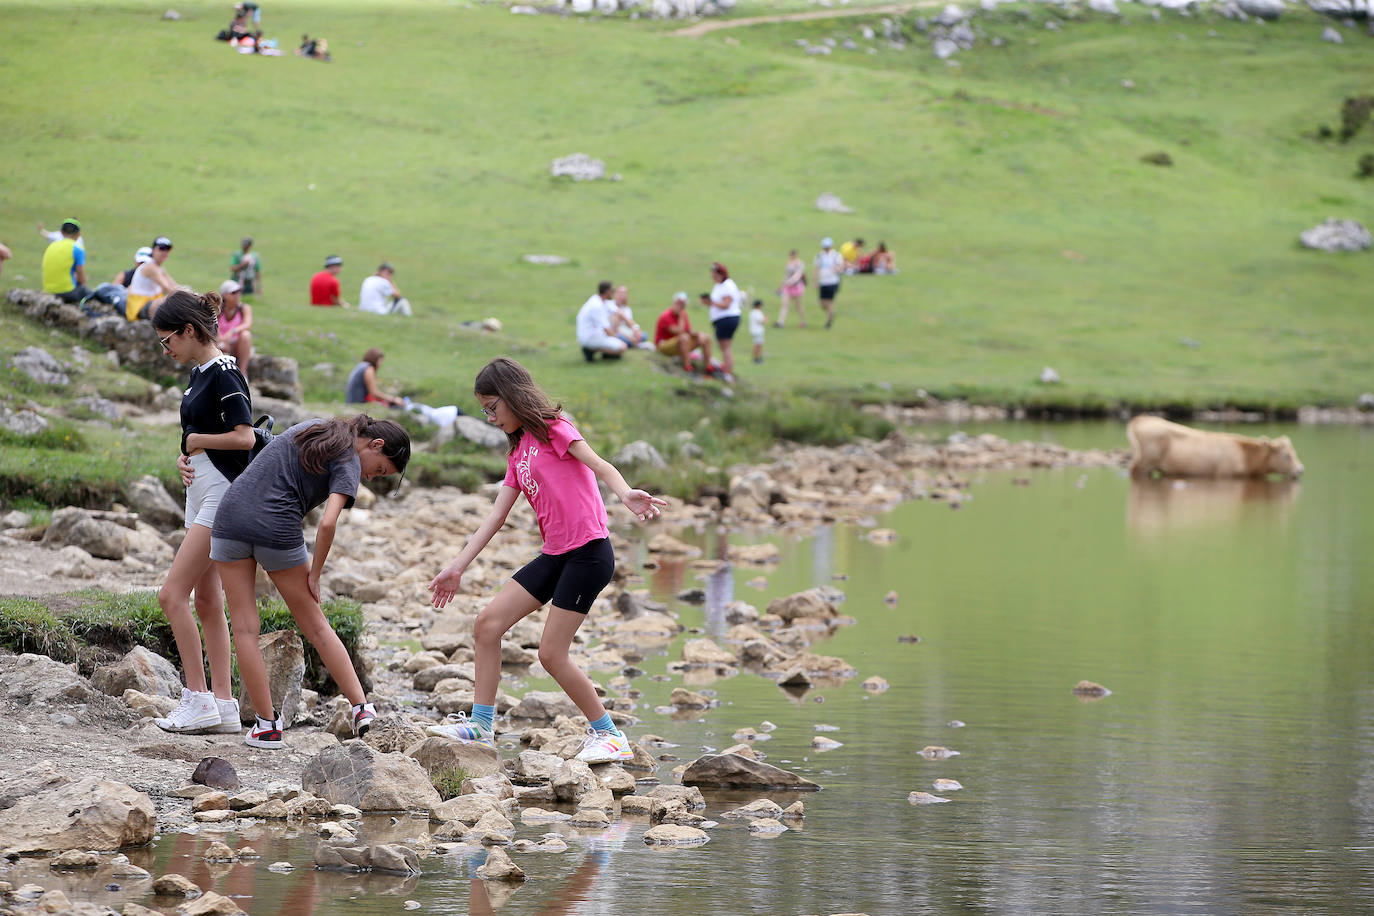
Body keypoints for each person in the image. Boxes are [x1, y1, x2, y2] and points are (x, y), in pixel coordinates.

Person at [427, 357, 666, 763]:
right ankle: (481, 727)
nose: (489, 418)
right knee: (487, 625)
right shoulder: (518, 451)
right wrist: (457, 566)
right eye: (484, 410)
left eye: (492, 408)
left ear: (512, 396)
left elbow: (600, 465)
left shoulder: (555, 428)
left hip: (589, 554)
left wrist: (625, 493)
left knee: (551, 654)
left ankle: (610, 736)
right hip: (556, 555)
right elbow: (496, 516)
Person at [211, 414, 411, 749]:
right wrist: (315, 574)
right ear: (376, 444)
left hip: (229, 519)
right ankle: (363, 709)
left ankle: (266, 726)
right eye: (378, 471)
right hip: (276, 527)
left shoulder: (315, 428)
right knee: (316, 625)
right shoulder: (349, 458)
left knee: (245, 628)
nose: (370, 477)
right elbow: (329, 523)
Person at [151, 289, 256, 736]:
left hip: (221, 495)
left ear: (189, 331)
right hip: (202, 488)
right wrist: (186, 454)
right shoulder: (199, 374)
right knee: (208, 600)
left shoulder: (224, 373)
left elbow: (245, 437)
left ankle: (196, 698)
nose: (166, 349)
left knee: (172, 595)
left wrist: (197, 445)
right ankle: (224, 704)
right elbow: (199, 431)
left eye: (167, 340)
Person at [654, 292, 713, 375]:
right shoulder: (666, 316)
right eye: (678, 304)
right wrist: (681, 316)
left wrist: (696, 334)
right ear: (674, 303)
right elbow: (680, 331)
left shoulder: (683, 314)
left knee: (705, 337)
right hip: (664, 345)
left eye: (682, 305)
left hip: (680, 344)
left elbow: (687, 331)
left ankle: (709, 367)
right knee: (684, 337)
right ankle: (688, 367)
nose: (680, 307)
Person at [126, 237, 179, 320]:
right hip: (140, 305)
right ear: (153, 250)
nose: (165, 252)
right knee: (171, 302)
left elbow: (174, 285)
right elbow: (167, 288)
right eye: (161, 248)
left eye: (168, 249)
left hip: (151, 301)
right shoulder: (150, 267)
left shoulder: (159, 268)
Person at [707, 261, 742, 383]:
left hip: (727, 318)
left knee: (726, 347)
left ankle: (728, 372)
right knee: (723, 346)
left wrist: (712, 303)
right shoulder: (719, 286)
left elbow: (726, 304)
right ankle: (726, 368)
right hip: (723, 319)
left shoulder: (727, 285)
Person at [40, 220, 90, 304]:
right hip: (67, 291)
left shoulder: (52, 246)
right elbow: (81, 278)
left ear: (61, 232)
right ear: (79, 234)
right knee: (90, 293)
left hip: (48, 289)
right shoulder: (77, 248)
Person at [575, 281, 627, 362]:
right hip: (590, 337)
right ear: (607, 291)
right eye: (612, 291)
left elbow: (618, 312)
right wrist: (618, 339)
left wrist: (634, 328)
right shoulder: (597, 305)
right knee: (622, 347)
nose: (613, 293)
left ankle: (604, 352)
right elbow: (607, 329)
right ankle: (590, 350)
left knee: (620, 342)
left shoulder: (600, 300)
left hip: (594, 334)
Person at [217, 280, 254, 381]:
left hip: (237, 344)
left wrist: (232, 332)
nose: (237, 295)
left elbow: (247, 324)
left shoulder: (244, 308)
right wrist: (221, 339)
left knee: (246, 335)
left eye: (238, 292)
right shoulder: (219, 310)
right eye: (233, 293)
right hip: (222, 344)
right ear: (224, 295)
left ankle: (243, 373)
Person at [814, 237, 844, 330]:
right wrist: (815, 281)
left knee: (830, 302)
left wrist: (837, 269)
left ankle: (829, 321)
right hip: (823, 281)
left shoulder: (836, 256)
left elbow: (841, 267)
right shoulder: (819, 256)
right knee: (822, 303)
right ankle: (831, 313)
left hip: (833, 281)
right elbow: (816, 269)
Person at [776, 249, 806, 329]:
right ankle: (780, 322)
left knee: (798, 306)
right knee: (784, 305)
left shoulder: (800, 264)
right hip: (788, 287)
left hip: (797, 287)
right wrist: (781, 286)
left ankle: (803, 321)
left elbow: (798, 275)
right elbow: (786, 275)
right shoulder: (788, 263)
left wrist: (789, 282)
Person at [749, 299, 766, 365]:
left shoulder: (752, 312)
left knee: (759, 345)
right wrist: (766, 318)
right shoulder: (757, 312)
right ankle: (756, 358)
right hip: (758, 331)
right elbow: (762, 321)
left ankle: (758, 358)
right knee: (757, 345)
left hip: (754, 330)